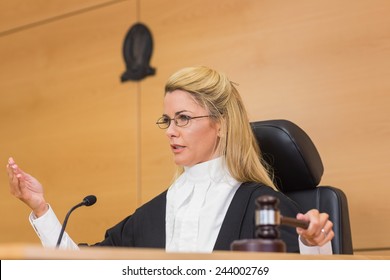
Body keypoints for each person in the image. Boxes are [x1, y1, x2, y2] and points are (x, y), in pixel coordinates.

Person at [6, 66, 334, 254]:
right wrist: (41, 208)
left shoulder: (268, 209)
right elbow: (86, 270)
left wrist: (313, 243)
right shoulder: (151, 215)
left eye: (183, 118)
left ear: (220, 124)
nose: (170, 132)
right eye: (167, 120)